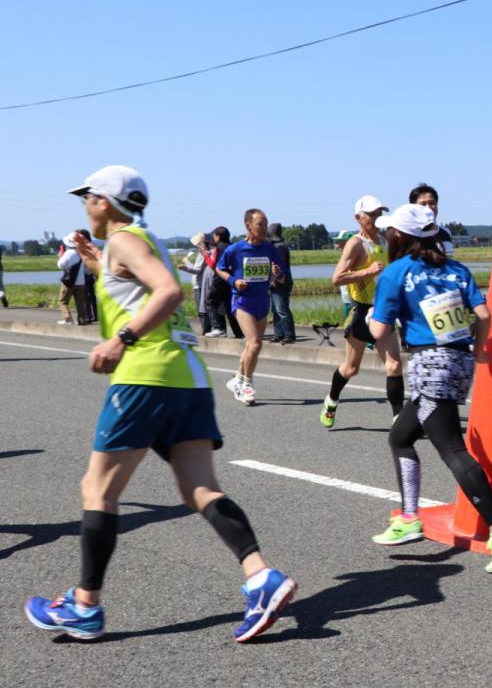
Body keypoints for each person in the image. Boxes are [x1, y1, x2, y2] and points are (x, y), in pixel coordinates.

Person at [25, 165, 295, 643]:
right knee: (199, 488)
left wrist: (120, 340)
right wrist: (94, 263)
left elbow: (168, 294)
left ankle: (85, 605)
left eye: (88, 198)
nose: (85, 206)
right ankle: (261, 576)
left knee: (97, 490)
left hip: (144, 377)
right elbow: (139, 285)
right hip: (185, 378)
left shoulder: (126, 242)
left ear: (105, 202)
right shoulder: (138, 242)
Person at [367, 204, 492, 572]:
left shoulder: (397, 272)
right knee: (400, 436)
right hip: (460, 362)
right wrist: (481, 348)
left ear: (399, 237)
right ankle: (409, 518)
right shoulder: (456, 269)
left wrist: (378, 324)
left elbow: (378, 330)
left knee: (452, 448)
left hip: (428, 364)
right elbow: (484, 315)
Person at [319, 196, 405, 427]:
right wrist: (366, 272)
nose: (376, 218)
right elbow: (337, 278)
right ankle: (331, 399)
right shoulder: (355, 243)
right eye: (372, 214)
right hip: (361, 310)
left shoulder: (386, 240)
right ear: (359, 218)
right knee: (351, 368)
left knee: (395, 365)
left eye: (379, 213)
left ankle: (399, 419)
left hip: (382, 311)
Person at [216, 209, 283, 405]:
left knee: (250, 346)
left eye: (265, 224)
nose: (264, 228)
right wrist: (234, 281)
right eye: (260, 224)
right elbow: (219, 268)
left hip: (262, 300)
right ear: (248, 226)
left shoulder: (269, 249)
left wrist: (277, 273)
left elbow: (281, 275)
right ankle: (246, 384)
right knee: (255, 343)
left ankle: (237, 378)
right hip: (242, 300)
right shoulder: (235, 249)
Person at [204, 226, 242, 339]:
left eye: (214, 236)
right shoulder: (233, 247)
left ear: (218, 236)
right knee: (229, 306)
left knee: (210, 300)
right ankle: (238, 332)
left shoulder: (219, 247)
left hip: (220, 278)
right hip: (231, 279)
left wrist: (206, 255)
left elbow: (216, 265)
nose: (213, 238)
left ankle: (218, 328)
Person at [177, 232, 212, 335]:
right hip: (199, 284)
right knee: (202, 308)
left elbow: (197, 271)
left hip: (200, 285)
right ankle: (206, 329)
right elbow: (196, 268)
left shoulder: (203, 254)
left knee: (201, 309)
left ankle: (206, 330)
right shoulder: (203, 253)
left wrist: (184, 267)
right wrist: (187, 262)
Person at [267, 222, 296, 344]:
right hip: (276, 281)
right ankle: (279, 334)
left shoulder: (279, 247)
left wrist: (275, 279)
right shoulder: (277, 245)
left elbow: (280, 267)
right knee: (275, 309)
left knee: (282, 309)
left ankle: (289, 335)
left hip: (281, 282)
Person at [409, 183, 455, 257]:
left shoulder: (446, 232)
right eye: (423, 204)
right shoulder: (407, 234)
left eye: (432, 203)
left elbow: (449, 260)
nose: (428, 207)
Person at [57, 230, 91, 325]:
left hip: (69, 281)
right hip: (81, 282)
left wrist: (60, 256)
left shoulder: (69, 253)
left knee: (62, 301)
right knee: (80, 303)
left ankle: (67, 319)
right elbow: (86, 269)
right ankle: (82, 320)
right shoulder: (81, 253)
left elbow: (61, 265)